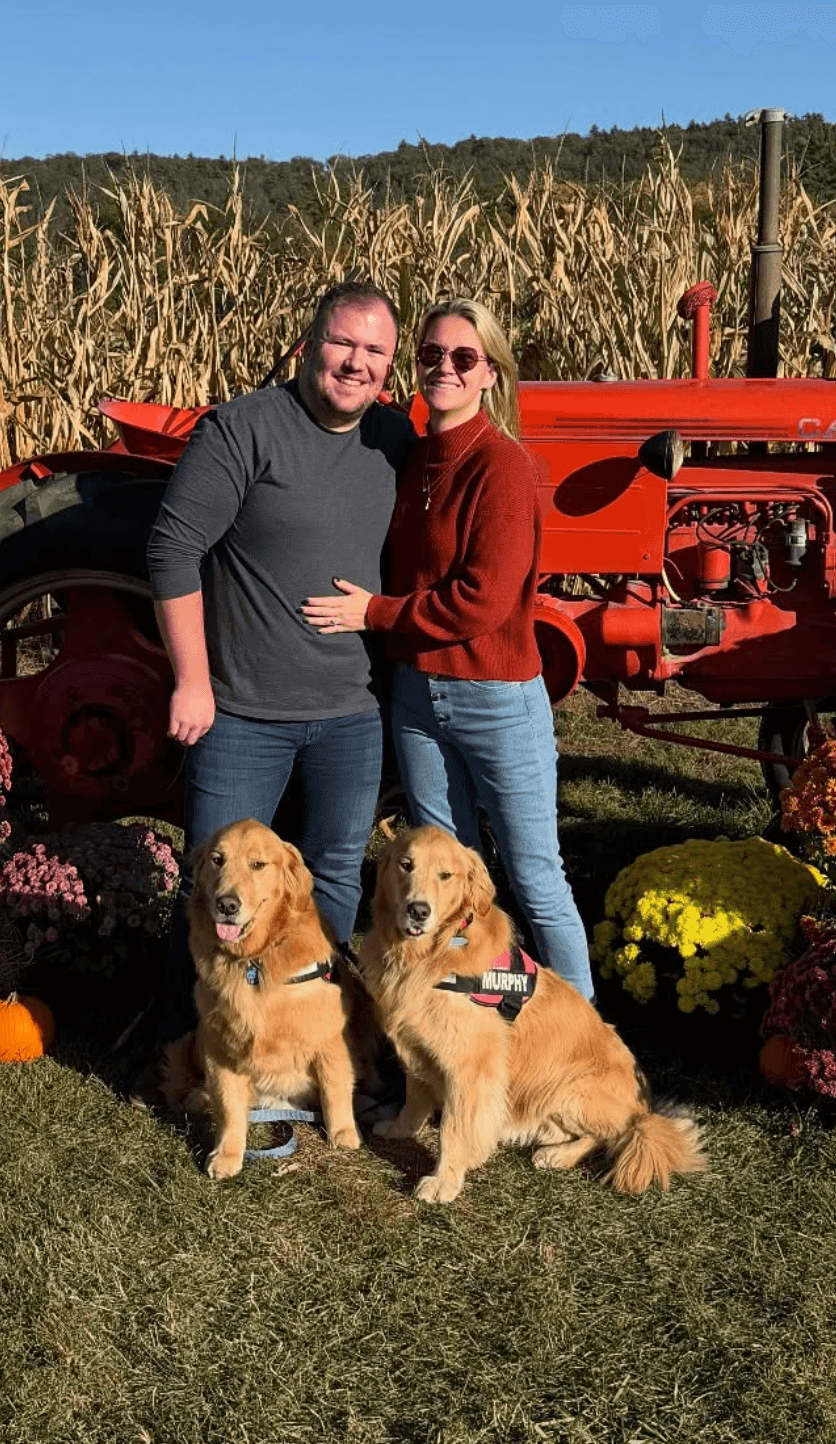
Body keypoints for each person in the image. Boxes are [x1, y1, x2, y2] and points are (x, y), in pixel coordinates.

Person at [145, 280, 417, 1041]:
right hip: (242, 714)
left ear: (389, 368)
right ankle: (187, 1049)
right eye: (342, 343)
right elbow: (172, 547)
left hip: (351, 714)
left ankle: (302, 1041)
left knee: (329, 880)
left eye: (375, 351)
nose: (355, 363)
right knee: (214, 887)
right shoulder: (242, 430)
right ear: (308, 343)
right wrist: (193, 682)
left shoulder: (392, 440)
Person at [300, 297, 595, 999]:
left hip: (494, 698)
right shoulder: (416, 457)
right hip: (417, 699)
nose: (445, 368)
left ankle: (586, 1043)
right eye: (432, 355)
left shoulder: (502, 467)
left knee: (533, 875)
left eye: (464, 358)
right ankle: (460, 1026)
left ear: (491, 371)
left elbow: (483, 600)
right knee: (441, 878)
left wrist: (374, 613)